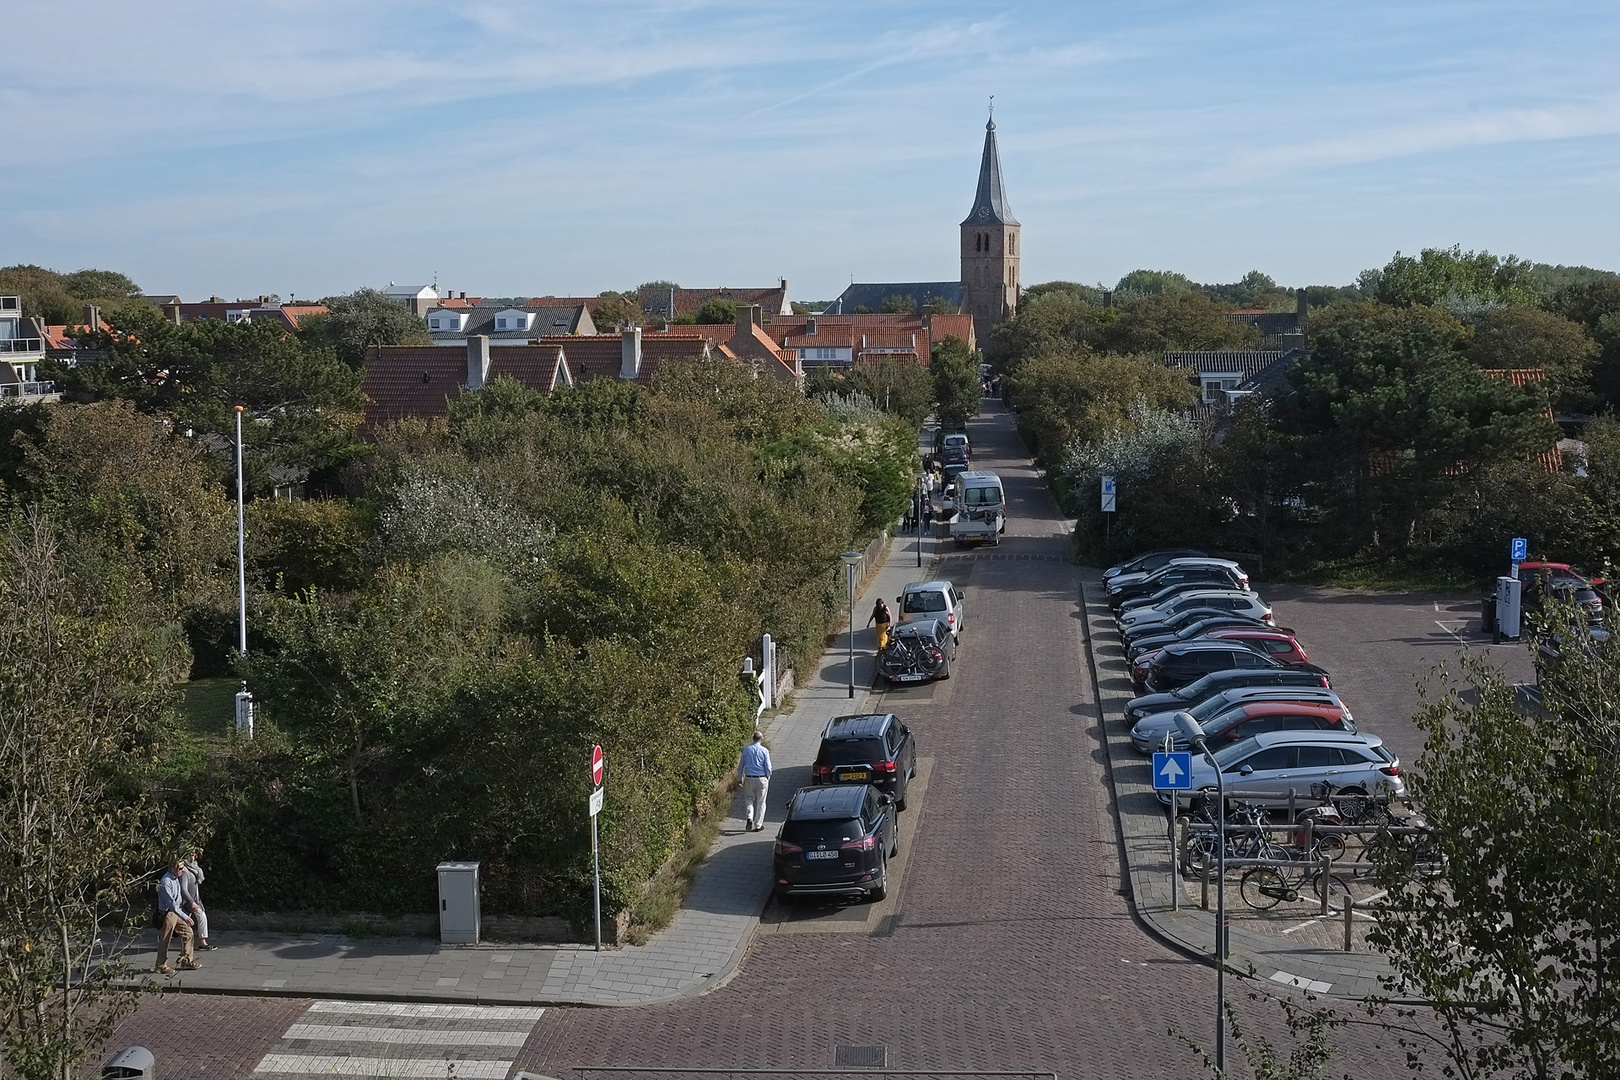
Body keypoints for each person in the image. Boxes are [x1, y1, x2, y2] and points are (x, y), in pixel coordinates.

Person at [155, 858, 201, 974]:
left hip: (177, 912)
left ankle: (186, 960)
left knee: (188, 933)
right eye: (180, 868)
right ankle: (161, 965)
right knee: (165, 939)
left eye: (183, 867)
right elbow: (172, 905)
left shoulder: (176, 878)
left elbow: (179, 899)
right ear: (172, 869)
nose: (182, 870)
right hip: (168, 914)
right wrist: (186, 917)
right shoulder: (166, 882)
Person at [738, 730, 772, 832]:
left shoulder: (746, 750)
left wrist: (740, 779)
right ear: (761, 739)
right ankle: (758, 825)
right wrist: (768, 777)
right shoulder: (764, 751)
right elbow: (768, 767)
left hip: (749, 777)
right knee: (761, 802)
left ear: (753, 739)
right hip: (761, 778)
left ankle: (749, 817)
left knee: (749, 798)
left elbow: (741, 766)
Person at [181, 851, 213, 951]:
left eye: (194, 854)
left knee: (201, 917)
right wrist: (191, 902)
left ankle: (203, 943)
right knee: (184, 922)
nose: (194, 856)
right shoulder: (184, 870)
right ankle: (185, 944)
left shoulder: (195, 867)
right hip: (187, 901)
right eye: (191, 854)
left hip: (196, 899)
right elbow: (183, 889)